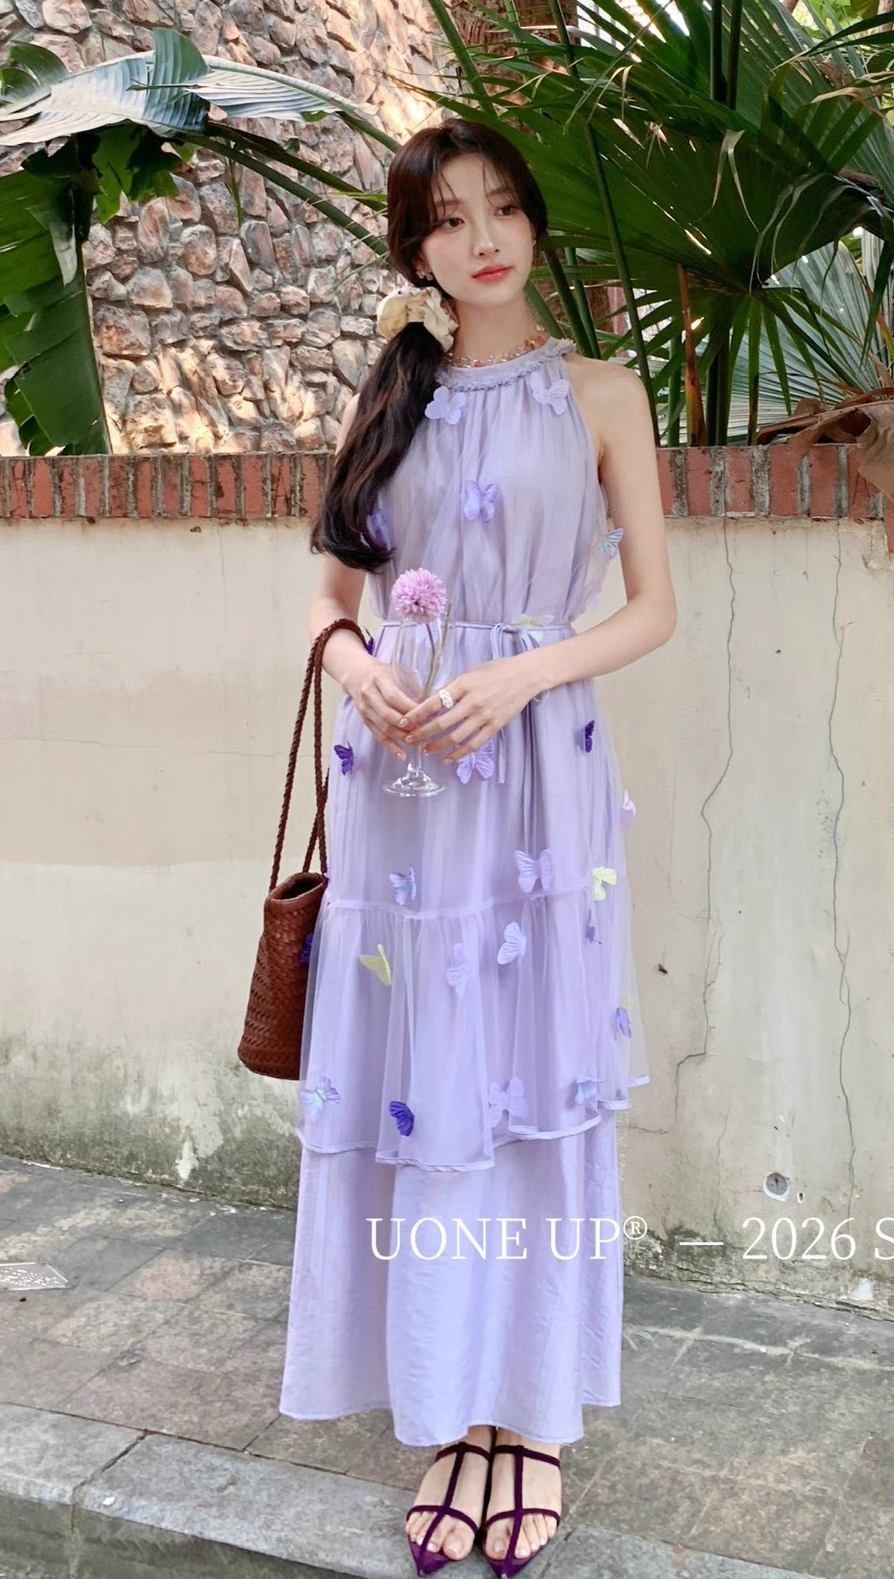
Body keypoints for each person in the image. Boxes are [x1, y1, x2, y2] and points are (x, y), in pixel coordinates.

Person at [278, 114, 676, 1577]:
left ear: (533, 223)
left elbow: (653, 610)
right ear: (416, 246)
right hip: (401, 787)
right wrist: (356, 665)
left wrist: (521, 673)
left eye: (501, 207)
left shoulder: (603, 394)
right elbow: (327, 598)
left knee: (528, 1076)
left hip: (538, 781)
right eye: (448, 218)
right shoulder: (389, 392)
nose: (481, 238)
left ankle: (533, 1424)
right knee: (428, 1080)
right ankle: (453, 1416)